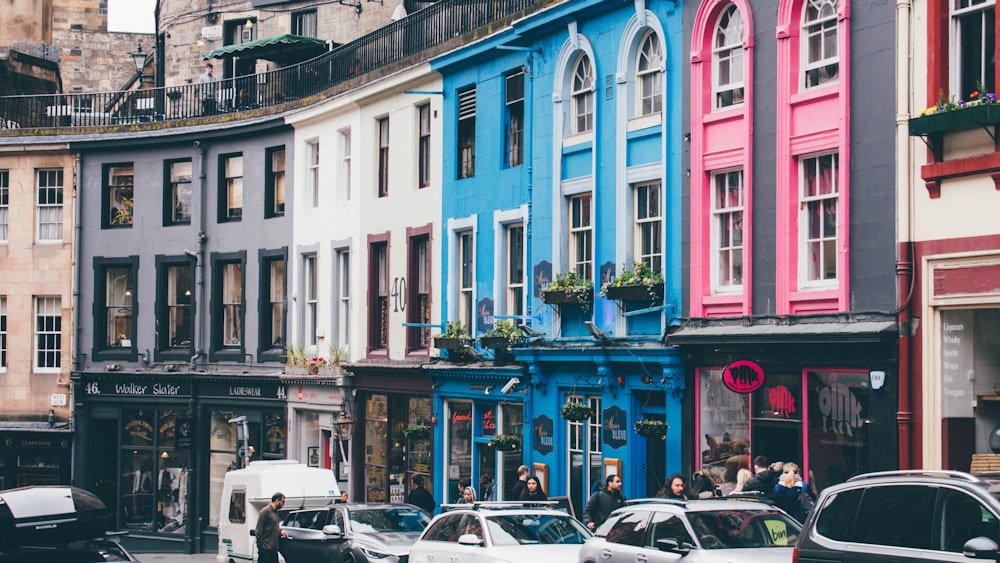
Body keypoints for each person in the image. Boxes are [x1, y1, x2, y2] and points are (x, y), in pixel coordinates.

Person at [254, 492, 288, 563]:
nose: (283, 504)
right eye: (283, 502)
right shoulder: (265, 511)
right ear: (277, 501)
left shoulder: (276, 512)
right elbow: (258, 530)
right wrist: (262, 546)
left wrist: (280, 531)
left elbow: (274, 526)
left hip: (273, 549)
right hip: (265, 550)